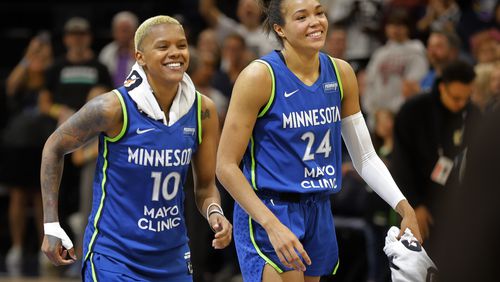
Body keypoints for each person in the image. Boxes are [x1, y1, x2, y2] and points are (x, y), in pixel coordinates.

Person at [215, 1, 421, 281]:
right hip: (268, 208)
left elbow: (365, 157)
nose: (315, 21)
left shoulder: (341, 73)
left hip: (318, 208)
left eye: (319, 12)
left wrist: (404, 206)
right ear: (280, 29)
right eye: (302, 17)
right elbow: (225, 165)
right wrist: (271, 225)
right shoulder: (259, 76)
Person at [40, 15, 232, 281]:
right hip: (114, 256)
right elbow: (53, 147)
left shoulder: (204, 111)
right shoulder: (112, 107)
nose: (175, 53)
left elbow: (205, 187)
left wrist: (215, 213)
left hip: (172, 255)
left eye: (181, 45)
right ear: (140, 57)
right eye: (163, 46)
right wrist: (51, 224)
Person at [391, 60, 481, 257]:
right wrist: (414, 206)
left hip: (452, 206)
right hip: (412, 200)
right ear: (442, 87)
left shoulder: (472, 114)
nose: (461, 104)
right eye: (456, 98)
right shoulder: (413, 111)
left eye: (466, 98)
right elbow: (401, 163)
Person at [2, 31, 53, 277]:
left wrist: (43, 60)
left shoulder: (51, 78)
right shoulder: (20, 81)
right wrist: (28, 55)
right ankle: (17, 247)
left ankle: (46, 247)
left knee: (43, 196)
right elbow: (10, 85)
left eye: (43, 54)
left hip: (44, 144)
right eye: (35, 54)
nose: (39, 58)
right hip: (18, 144)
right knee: (18, 196)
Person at [98, 11, 138, 88]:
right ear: (114, 32)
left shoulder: (142, 52)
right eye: (120, 30)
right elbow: (101, 79)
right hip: (111, 93)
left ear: (135, 31)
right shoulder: (107, 51)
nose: (123, 34)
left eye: (126, 30)